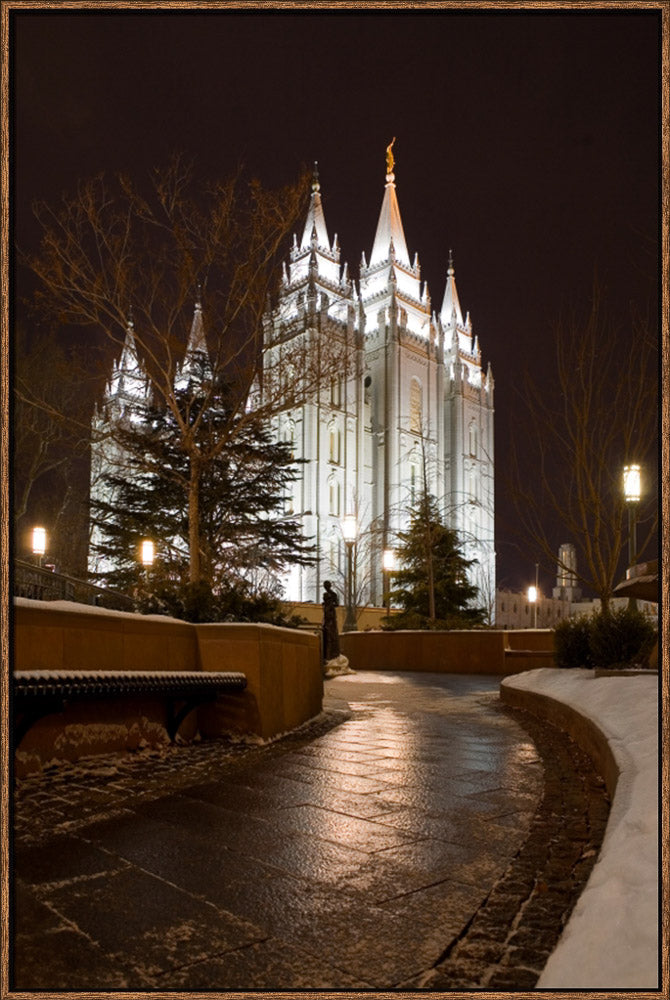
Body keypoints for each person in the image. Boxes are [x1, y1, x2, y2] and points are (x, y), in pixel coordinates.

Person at [322, 580, 340, 661]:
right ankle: (327, 654)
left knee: (331, 631)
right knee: (326, 631)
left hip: (331, 614)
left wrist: (330, 604)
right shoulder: (325, 594)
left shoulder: (333, 594)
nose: (325, 587)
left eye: (327, 585)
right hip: (327, 614)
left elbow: (337, 604)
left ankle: (332, 653)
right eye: (325, 585)